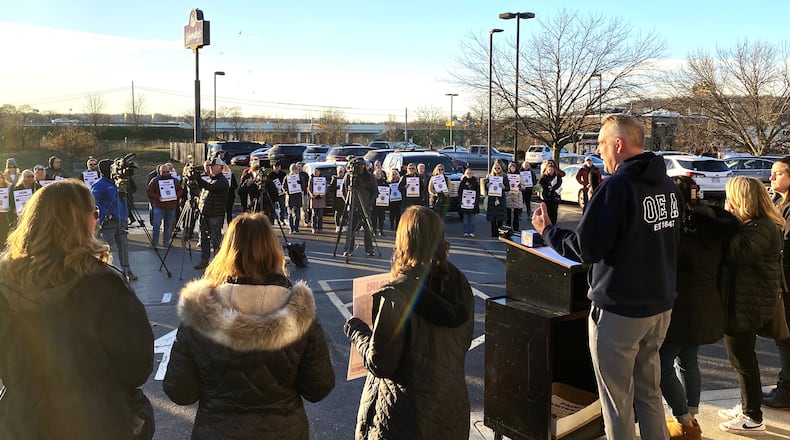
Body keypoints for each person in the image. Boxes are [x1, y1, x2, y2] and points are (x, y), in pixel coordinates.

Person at [531, 114, 682, 439]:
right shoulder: (667, 185)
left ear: (619, 143)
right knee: (650, 393)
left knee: (617, 402)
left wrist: (548, 231)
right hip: (659, 307)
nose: (598, 152)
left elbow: (586, 248)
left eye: (600, 144)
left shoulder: (617, 187)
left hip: (620, 312)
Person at [0, 180, 154, 440]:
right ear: (81, 222)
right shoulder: (106, 285)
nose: (97, 220)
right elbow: (137, 366)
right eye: (94, 214)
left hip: (23, 419)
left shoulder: (4, 282)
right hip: (96, 418)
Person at [163, 212, 335, 440]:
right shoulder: (298, 312)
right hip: (284, 431)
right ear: (273, 250)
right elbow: (318, 387)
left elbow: (180, 391)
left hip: (217, 431)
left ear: (227, 251)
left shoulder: (200, 312)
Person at [344, 206, 474, 439]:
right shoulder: (459, 283)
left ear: (405, 242)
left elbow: (381, 363)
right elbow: (461, 343)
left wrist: (357, 331)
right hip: (450, 410)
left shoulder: (397, 295)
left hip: (405, 417)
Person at [660, 176, 739, 440]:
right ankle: (691, 418)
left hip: (681, 306)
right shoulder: (715, 227)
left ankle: (683, 419)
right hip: (707, 303)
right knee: (688, 361)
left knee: (661, 364)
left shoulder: (681, 229)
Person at [716, 176, 784, 434]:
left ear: (741, 199)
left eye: (729, 197)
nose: (726, 202)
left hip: (746, 304)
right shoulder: (755, 225)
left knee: (743, 360)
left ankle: (752, 417)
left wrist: (725, 221)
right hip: (745, 301)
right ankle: (748, 406)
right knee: (743, 359)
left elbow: (735, 254)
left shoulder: (761, 227)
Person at [765, 157, 790, 408]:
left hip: (786, 282)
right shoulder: (776, 202)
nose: (771, 178)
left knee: (786, 339)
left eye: (777, 173)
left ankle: (786, 391)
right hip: (780, 282)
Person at [93, 159, 137, 281]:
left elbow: (127, 195)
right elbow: (95, 202)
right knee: (105, 247)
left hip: (122, 219)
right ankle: (101, 271)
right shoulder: (100, 184)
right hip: (109, 221)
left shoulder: (117, 183)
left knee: (124, 246)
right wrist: (107, 213)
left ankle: (127, 271)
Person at [194, 157, 229, 270]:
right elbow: (204, 193)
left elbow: (211, 188)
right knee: (204, 238)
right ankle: (204, 260)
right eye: (210, 166)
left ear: (220, 167)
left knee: (215, 240)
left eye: (213, 166)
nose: (211, 168)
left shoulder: (222, 181)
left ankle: (218, 262)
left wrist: (198, 179)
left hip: (215, 215)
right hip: (206, 213)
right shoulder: (211, 179)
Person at [341, 157, 377, 257]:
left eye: (362, 165)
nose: (361, 167)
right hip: (353, 205)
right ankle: (348, 249)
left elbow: (375, 191)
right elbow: (343, 190)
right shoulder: (349, 177)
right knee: (351, 229)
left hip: (366, 206)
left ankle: (369, 249)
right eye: (359, 165)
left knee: (368, 229)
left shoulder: (369, 177)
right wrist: (348, 201)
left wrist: (370, 203)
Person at [147, 163, 183, 249]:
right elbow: (149, 192)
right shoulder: (154, 180)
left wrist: (175, 196)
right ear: (159, 172)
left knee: (169, 225)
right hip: (159, 206)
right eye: (164, 172)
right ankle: (154, 242)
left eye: (167, 171)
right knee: (156, 225)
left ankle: (166, 242)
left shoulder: (175, 181)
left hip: (171, 207)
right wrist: (158, 197)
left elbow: (180, 190)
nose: (166, 173)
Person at [484, 161, 508, 238]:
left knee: (500, 218)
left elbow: (508, 187)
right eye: (495, 168)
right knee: (493, 218)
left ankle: (500, 233)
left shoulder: (504, 176)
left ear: (501, 168)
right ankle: (493, 233)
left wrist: (504, 187)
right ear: (493, 169)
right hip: (492, 199)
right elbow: (485, 187)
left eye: (498, 168)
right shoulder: (489, 176)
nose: (497, 169)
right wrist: (487, 185)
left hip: (501, 199)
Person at [284, 163, 306, 234]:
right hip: (290, 197)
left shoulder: (300, 177)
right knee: (290, 214)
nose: (297, 171)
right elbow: (283, 187)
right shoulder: (287, 177)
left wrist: (300, 183)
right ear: (292, 170)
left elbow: (304, 186)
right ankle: (291, 228)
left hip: (297, 197)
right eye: (296, 170)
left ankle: (296, 228)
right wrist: (287, 191)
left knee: (297, 214)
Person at [538, 160, 562, 224]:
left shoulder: (557, 177)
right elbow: (541, 184)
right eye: (549, 169)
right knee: (547, 210)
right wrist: (547, 186)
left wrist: (553, 188)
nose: (550, 171)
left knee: (554, 210)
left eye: (552, 169)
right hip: (546, 195)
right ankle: (548, 222)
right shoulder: (544, 176)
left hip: (555, 195)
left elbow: (559, 184)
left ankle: (553, 223)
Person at [459, 167, 480, 237]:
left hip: (473, 204)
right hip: (464, 203)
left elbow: (478, 193)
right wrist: (461, 201)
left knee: (472, 220)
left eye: (470, 173)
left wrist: (476, 202)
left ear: (472, 174)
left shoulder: (476, 182)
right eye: (467, 173)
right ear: (465, 174)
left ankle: (471, 232)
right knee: (465, 220)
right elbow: (460, 192)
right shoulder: (462, 182)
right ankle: (465, 232)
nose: (469, 174)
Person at [505, 162, 524, 231]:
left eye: (514, 167)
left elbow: (523, 186)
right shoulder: (506, 176)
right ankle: (508, 227)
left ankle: (516, 227)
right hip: (509, 196)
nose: (512, 168)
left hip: (517, 196)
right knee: (508, 213)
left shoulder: (519, 176)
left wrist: (520, 187)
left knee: (516, 214)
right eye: (511, 167)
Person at [307, 167, 326, 233]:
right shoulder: (311, 179)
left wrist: (322, 194)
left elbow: (325, 188)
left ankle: (320, 228)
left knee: (320, 215)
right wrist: (312, 195)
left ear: (319, 172)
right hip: (314, 199)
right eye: (314, 171)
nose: (315, 173)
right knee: (314, 215)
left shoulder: (323, 179)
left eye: (317, 171)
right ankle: (314, 228)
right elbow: (309, 188)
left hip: (321, 200)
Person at [330, 165, 347, 233]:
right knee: (337, 213)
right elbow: (331, 189)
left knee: (344, 213)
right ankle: (337, 226)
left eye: (341, 171)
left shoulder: (345, 179)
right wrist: (336, 187)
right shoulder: (335, 179)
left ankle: (343, 226)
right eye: (339, 171)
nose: (340, 173)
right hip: (337, 199)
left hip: (344, 198)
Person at [371, 168, 388, 235]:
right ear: (374, 175)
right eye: (376, 174)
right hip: (374, 202)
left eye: (379, 174)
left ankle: (381, 230)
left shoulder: (384, 182)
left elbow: (388, 190)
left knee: (382, 218)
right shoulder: (372, 182)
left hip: (382, 203)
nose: (378, 175)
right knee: (374, 218)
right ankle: (374, 230)